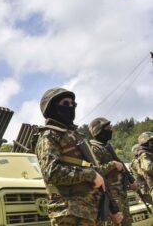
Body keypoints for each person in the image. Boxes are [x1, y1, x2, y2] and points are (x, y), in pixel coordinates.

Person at [35, 87, 123, 226]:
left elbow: (98, 174)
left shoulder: (76, 137)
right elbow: (51, 172)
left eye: (73, 104)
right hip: (70, 213)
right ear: (52, 108)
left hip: (93, 212)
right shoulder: (49, 135)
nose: (70, 107)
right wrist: (90, 174)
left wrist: (111, 209)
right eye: (65, 104)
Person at [88, 117, 138, 226]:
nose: (110, 129)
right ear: (98, 130)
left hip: (120, 192)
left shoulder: (107, 146)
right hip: (111, 195)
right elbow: (95, 171)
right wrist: (113, 164)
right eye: (107, 127)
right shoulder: (94, 148)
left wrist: (130, 180)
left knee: (126, 222)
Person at [130, 132, 153, 202]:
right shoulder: (144, 155)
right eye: (151, 141)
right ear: (146, 143)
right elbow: (149, 168)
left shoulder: (149, 153)